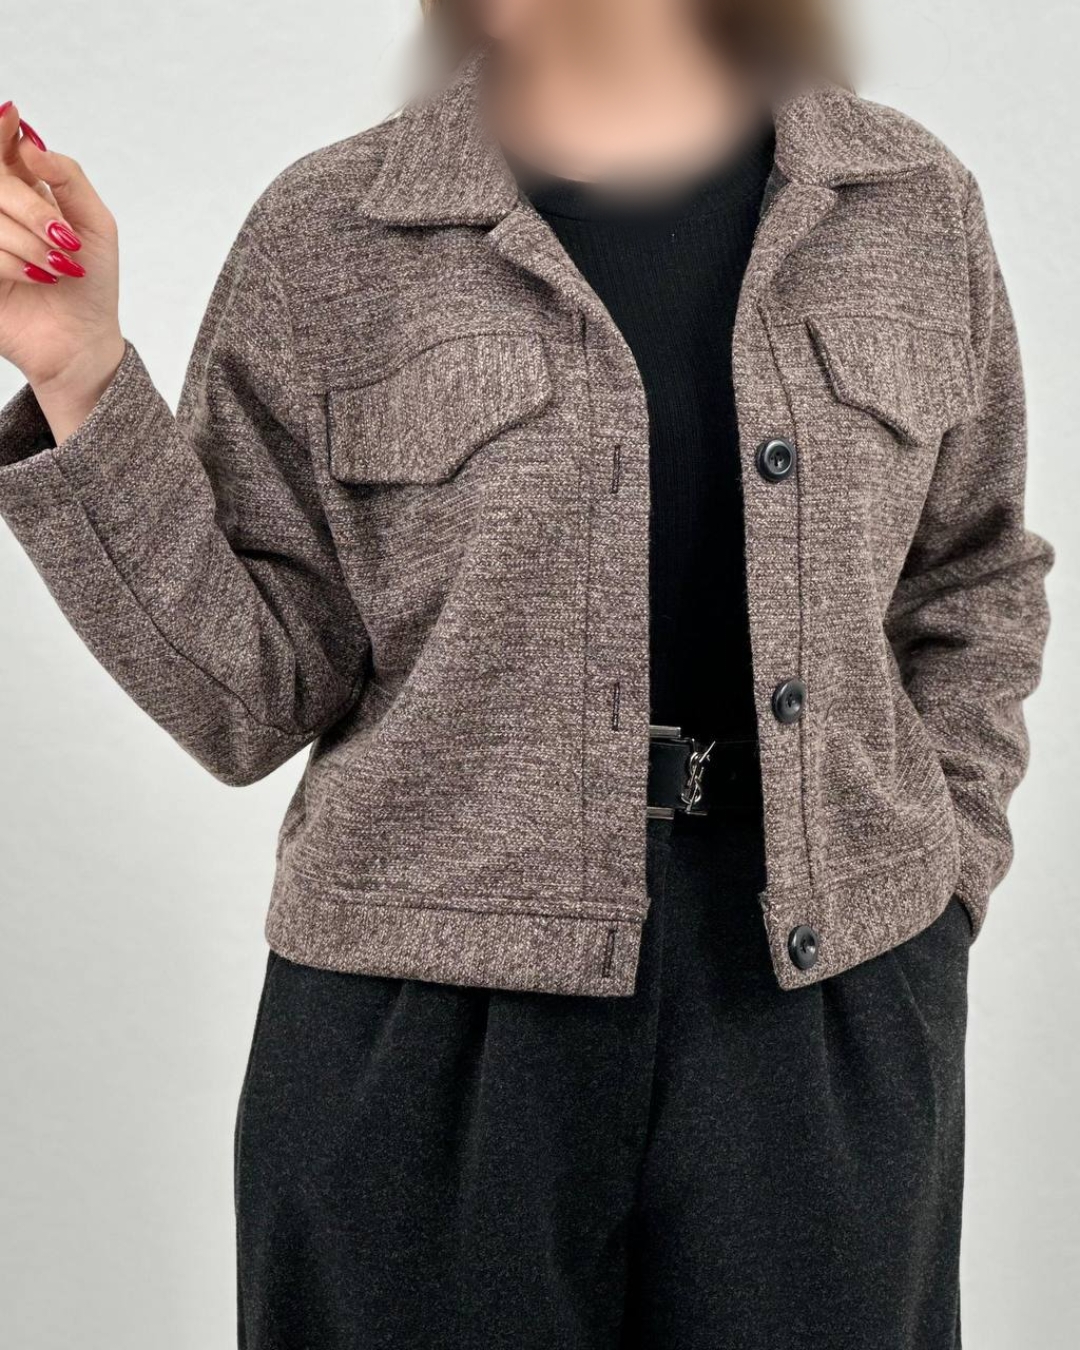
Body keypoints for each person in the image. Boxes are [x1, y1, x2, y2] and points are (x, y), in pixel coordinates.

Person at [0, 0, 1055, 1346]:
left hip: (826, 1012)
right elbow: (247, 695)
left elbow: (972, 574)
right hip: (422, 1033)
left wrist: (942, 884)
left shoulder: (906, 205)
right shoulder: (332, 232)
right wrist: (79, 368)